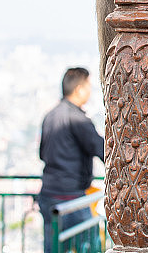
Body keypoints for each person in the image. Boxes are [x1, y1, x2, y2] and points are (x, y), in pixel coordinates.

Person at [38, 67, 104, 253]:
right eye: (88, 87)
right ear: (79, 89)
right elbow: (102, 150)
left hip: (48, 195)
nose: (90, 91)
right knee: (90, 246)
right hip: (71, 197)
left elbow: (42, 154)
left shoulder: (50, 116)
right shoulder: (78, 119)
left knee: (54, 248)